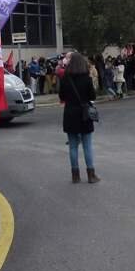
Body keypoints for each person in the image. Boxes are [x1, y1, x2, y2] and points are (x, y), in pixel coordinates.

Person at [59, 52, 99, 184]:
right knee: (87, 145)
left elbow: (62, 97)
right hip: (84, 114)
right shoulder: (86, 79)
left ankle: (75, 175)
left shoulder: (65, 78)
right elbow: (92, 96)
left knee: (73, 146)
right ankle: (91, 174)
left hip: (70, 113)